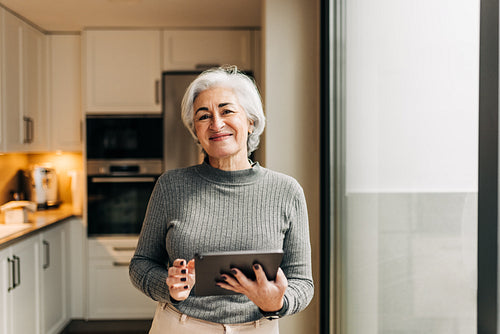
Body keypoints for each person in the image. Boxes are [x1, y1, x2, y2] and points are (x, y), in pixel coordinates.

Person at [129, 66, 313, 333]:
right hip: (180, 326)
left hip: (257, 327)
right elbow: (141, 264)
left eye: (227, 111)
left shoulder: (286, 190)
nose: (216, 124)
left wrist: (278, 303)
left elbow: (302, 283)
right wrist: (168, 286)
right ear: (196, 131)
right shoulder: (171, 185)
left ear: (250, 121)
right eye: (204, 116)